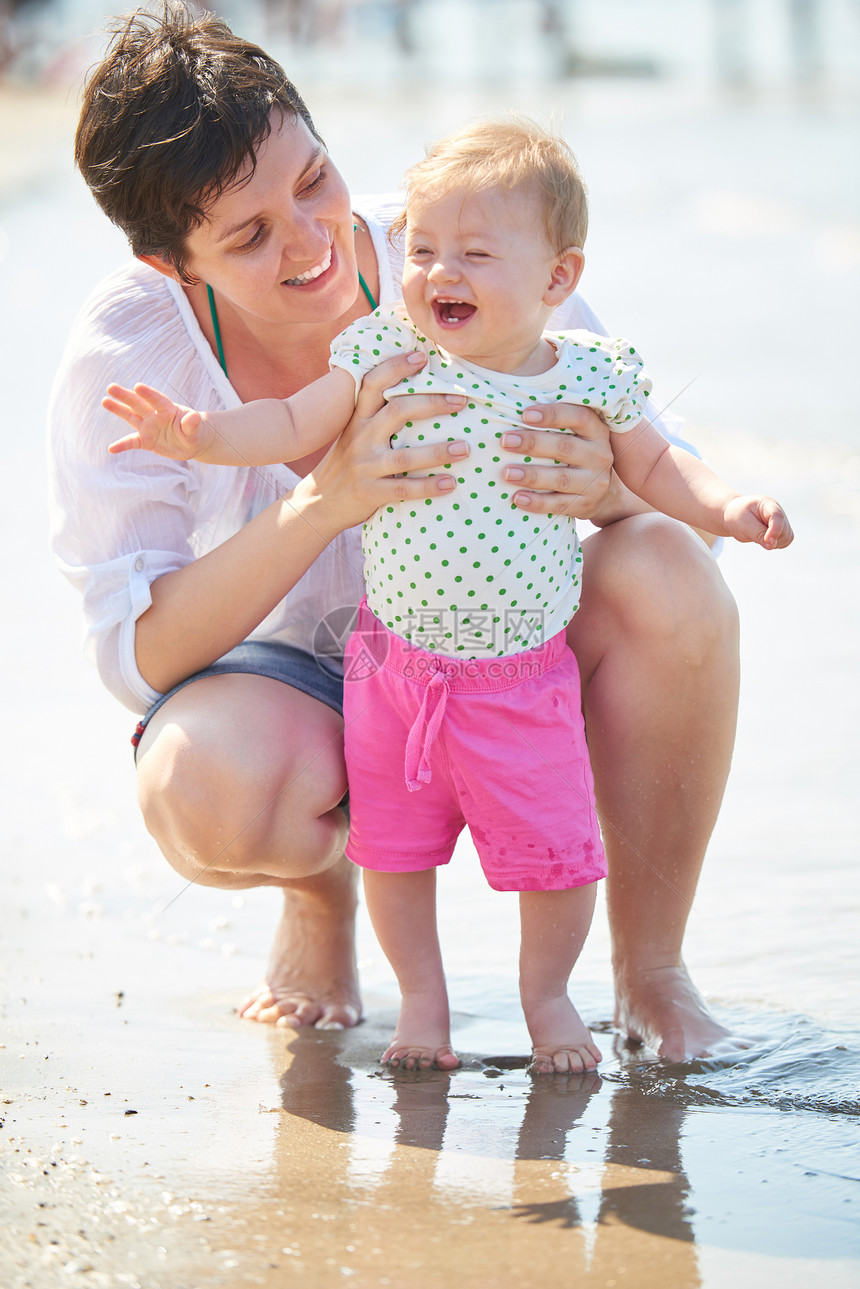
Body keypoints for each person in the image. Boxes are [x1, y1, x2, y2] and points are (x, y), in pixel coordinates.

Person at [50, 1, 743, 1063]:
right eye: (247, 235)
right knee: (205, 787)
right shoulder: (129, 356)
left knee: (670, 573)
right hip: (301, 682)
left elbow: (659, 478)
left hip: (508, 655)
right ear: (171, 266)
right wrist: (324, 500)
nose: (312, 241)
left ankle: (649, 969)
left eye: (312, 180)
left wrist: (604, 481)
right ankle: (319, 898)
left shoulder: (463, 251)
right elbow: (135, 657)